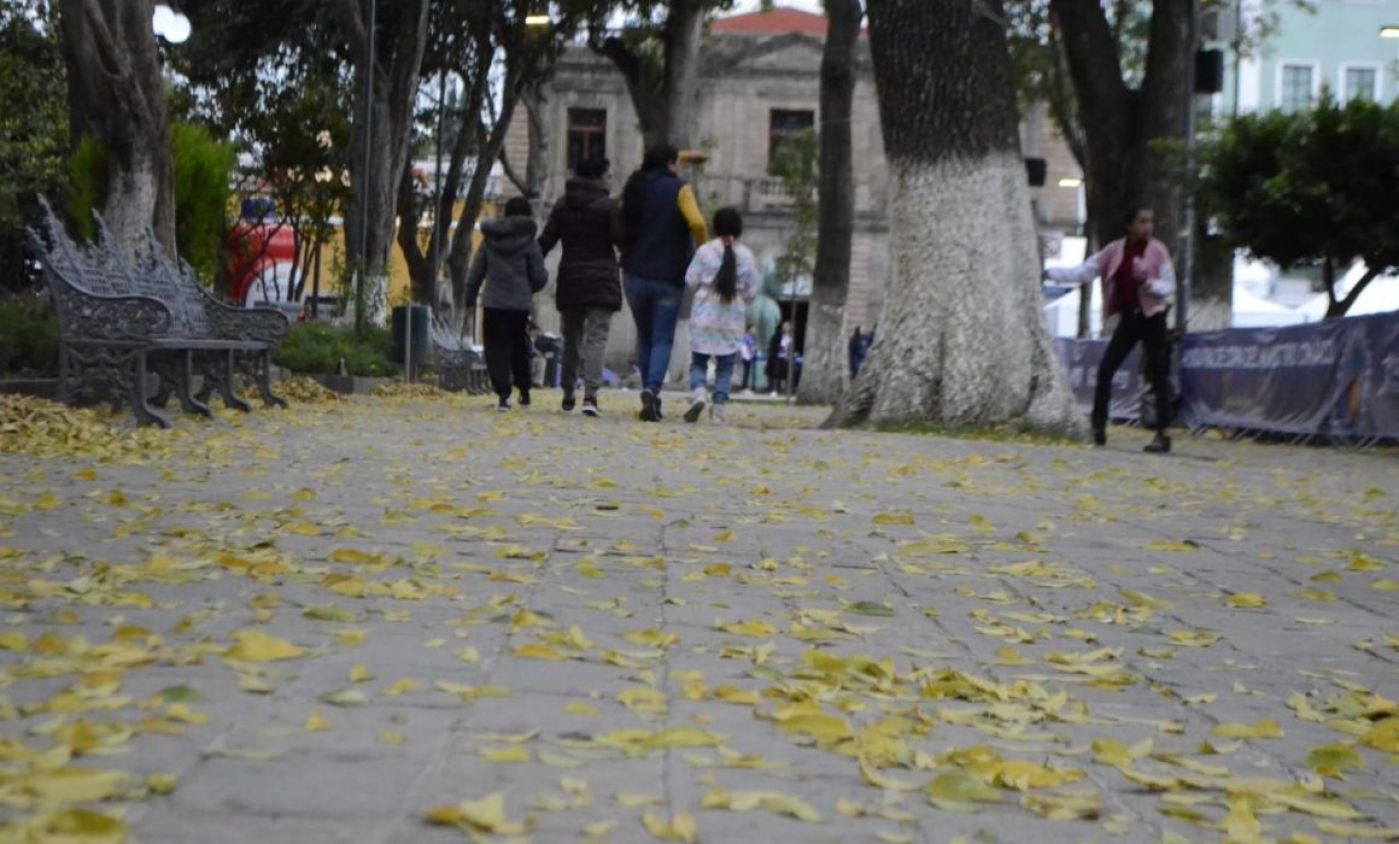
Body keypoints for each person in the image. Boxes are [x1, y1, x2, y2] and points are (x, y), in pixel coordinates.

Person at [1046, 206, 1176, 453]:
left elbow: (1169, 287)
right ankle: (1098, 427)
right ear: (1129, 225)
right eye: (1142, 221)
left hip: (1153, 317)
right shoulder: (1114, 251)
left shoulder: (1158, 251)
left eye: (1150, 221)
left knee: (1158, 375)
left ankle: (1163, 433)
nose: (1147, 227)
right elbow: (1084, 272)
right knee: (1106, 370)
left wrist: (1147, 283)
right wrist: (1050, 273)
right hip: (1129, 318)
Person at [619, 144, 709, 422]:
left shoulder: (635, 186)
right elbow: (697, 223)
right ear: (671, 164)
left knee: (645, 338)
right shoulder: (680, 189)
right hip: (668, 276)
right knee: (662, 338)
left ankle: (651, 399)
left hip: (633, 272)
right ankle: (652, 388)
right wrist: (702, 250)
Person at [539, 155, 622, 417]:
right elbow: (621, 239)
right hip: (602, 279)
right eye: (609, 176)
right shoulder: (609, 207)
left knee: (571, 337)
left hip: (572, 278)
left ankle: (567, 393)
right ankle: (591, 396)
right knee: (596, 337)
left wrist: (529, 265)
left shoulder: (562, 205)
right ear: (598, 177)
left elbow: (546, 241)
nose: (611, 181)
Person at [464, 197, 548, 411]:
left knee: (495, 348)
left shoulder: (489, 240)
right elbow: (539, 275)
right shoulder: (529, 242)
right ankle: (525, 390)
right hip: (519, 305)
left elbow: (476, 272)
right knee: (519, 347)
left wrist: (470, 298)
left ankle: (503, 394)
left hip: (493, 303)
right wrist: (528, 289)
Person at [681, 208, 759, 424]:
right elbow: (752, 291)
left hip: (704, 313)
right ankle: (719, 410)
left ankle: (698, 393)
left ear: (715, 226)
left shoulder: (705, 251)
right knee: (725, 367)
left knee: (699, 362)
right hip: (731, 316)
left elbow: (690, 280)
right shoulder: (747, 256)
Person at [767, 320, 794, 396]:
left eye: (788, 326)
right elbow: (773, 345)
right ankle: (774, 389)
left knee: (785, 374)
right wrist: (778, 348)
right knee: (776, 374)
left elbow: (790, 347)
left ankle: (783, 389)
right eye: (785, 326)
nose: (786, 328)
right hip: (777, 356)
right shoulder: (778, 335)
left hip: (785, 357)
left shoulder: (790, 336)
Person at [739, 325, 758, 393]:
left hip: (751, 357)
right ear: (748, 330)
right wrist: (746, 357)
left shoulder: (753, 338)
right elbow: (743, 348)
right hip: (747, 357)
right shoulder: (746, 337)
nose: (754, 331)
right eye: (753, 329)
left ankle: (750, 387)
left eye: (755, 330)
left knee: (750, 373)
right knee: (746, 373)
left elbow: (754, 347)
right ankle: (744, 387)